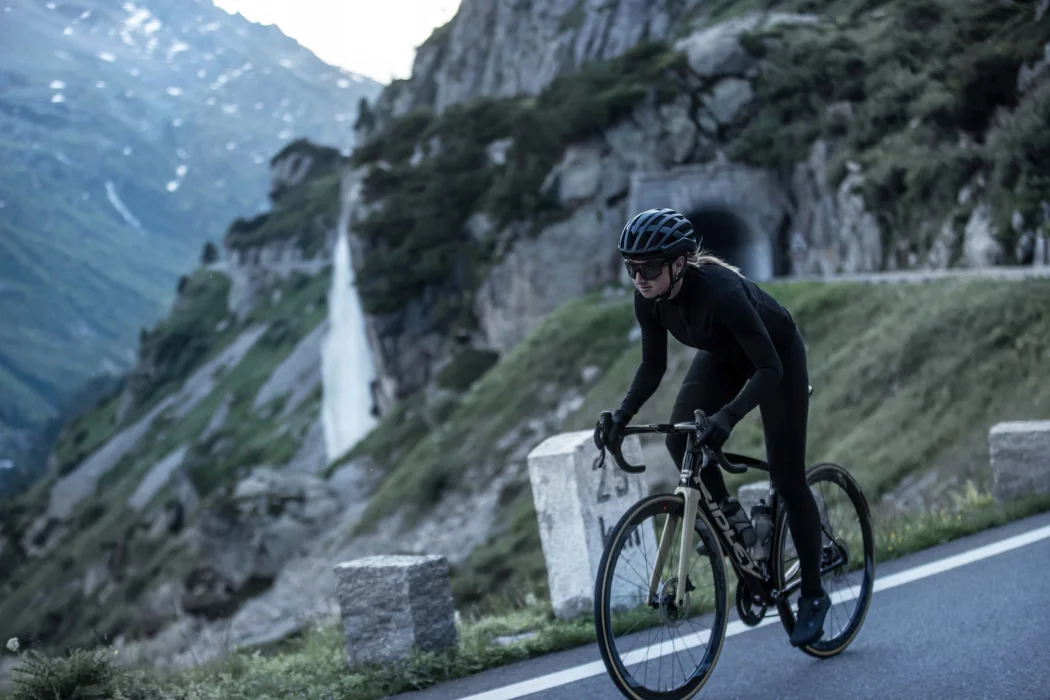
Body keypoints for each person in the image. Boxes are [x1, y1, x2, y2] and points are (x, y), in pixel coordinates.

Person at [597, 207, 831, 648]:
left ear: (678, 263)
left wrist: (729, 416)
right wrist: (622, 416)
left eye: (648, 268)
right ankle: (733, 520)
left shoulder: (722, 293)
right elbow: (652, 366)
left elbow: (769, 369)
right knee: (679, 439)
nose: (639, 278)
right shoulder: (649, 297)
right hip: (723, 356)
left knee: (787, 478)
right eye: (631, 268)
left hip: (775, 358)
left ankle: (814, 595)